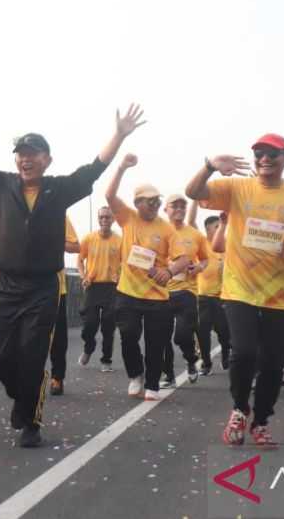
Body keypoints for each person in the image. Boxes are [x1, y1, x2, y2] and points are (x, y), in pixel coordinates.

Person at [0, 93, 145, 448]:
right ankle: (22, 396)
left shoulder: (59, 189)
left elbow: (93, 168)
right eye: (21, 154)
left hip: (44, 287)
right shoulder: (3, 184)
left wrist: (119, 135)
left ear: (46, 160)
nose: (25, 159)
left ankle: (31, 421)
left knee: (32, 356)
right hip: (7, 285)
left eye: (32, 154)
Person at [186, 133, 284, 447]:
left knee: (272, 363)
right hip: (240, 289)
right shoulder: (237, 188)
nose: (264, 159)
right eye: (259, 154)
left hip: (282, 294)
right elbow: (193, 192)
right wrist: (209, 166)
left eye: (272, 154)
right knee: (244, 352)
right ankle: (239, 409)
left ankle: (261, 421)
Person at [105, 154, 189, 400]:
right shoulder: (127, 217)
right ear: (137, 202)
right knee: (128, 335)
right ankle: (135, 374)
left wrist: (169, 271)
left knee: (156, 343)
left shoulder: (166, 229)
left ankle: (152, 383)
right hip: (127, 293)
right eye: (149, 201)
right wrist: (121, 167)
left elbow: (183, 259)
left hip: (158, 297)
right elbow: (109, 196)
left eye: (157, 201)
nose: (153, 204)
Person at [159, 194, 209, 388]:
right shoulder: (159, 230)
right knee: (161, 336)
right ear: (166, 209)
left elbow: (205, 259)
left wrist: (199, 268)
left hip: (187, 291)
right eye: (174, 205)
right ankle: (168, 374)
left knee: (181, 335)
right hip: (161, 292)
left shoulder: (195, 234)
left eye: (183, 205)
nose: (179, 208)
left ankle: (190, 359)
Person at [77, 207, 122, 372]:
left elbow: (125, 262)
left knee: (108, 326)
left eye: (108, 217)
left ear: (113, 220)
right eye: (101, 217)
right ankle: (89, 348)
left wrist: (120, 276)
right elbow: (80, 260)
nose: (104, 220)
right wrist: (83, 276)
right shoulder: (89, 238)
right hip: (92, 286)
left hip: (111, 287)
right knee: (89, 324)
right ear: (98, 219)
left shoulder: (119, 241)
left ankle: (106, 360)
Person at [188, 202, 231, 374]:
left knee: (224, 332)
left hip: (222, 297)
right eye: (216, 227)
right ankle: (206, 363)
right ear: (207, 230)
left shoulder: (226, 243)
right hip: (203, 297)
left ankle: (226, 355)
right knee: (202, 332)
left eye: (221, 226)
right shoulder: (202, 242)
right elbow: (190, 221)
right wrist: (194, 200)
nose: (220, 230)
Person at [49, 217, 80, 395]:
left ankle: (57, 377)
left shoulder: (58, 212)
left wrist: (54, 239)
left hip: (54, 287)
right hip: (25, 286)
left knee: (57, 338)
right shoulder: (18, 209)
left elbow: (75, 246)